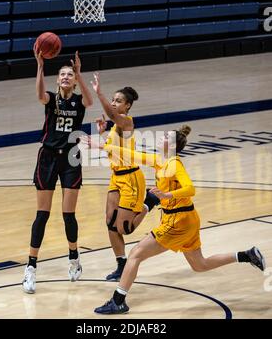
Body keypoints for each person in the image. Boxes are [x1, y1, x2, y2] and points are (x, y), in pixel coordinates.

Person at [91, 125, 266, 314]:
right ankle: (246, 255)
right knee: (200, 265)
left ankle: (118, 301)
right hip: (187, 218)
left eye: (165, 136)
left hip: (178, 221)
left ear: (171, 145)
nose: (161, 137)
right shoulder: (160, 160)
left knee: (135, 254)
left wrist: (167, 194)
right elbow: (130, 154)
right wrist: (103, 147)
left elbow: (191, 189)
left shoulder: (174, 164)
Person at [22, 49, 93, 294]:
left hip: (71, 159)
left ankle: (74, 257)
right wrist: (40, 66)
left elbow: (90, 101)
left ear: (74, 80)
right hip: (48, 158)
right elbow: (39, 94)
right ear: (57, 79)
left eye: (69, 75)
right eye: (62, 74)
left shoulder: (78, 101)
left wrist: (80, 74)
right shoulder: (51, 99)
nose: (65, 77)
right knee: (42, 214)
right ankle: (30, 268)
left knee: (68, 215)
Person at [90, 72, 159, 282]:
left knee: (125, 228)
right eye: (112, 99)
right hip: (116, 177)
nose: (113, 103)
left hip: (131, 179)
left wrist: (99, 93)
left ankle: (149, 201)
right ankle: (121, 264)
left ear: (127, 106)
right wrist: (102, 135)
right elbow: (115, 149)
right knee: (110, 223)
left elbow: (112, 116)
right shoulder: (115, 127)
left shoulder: (127, 122)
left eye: (117, 101)